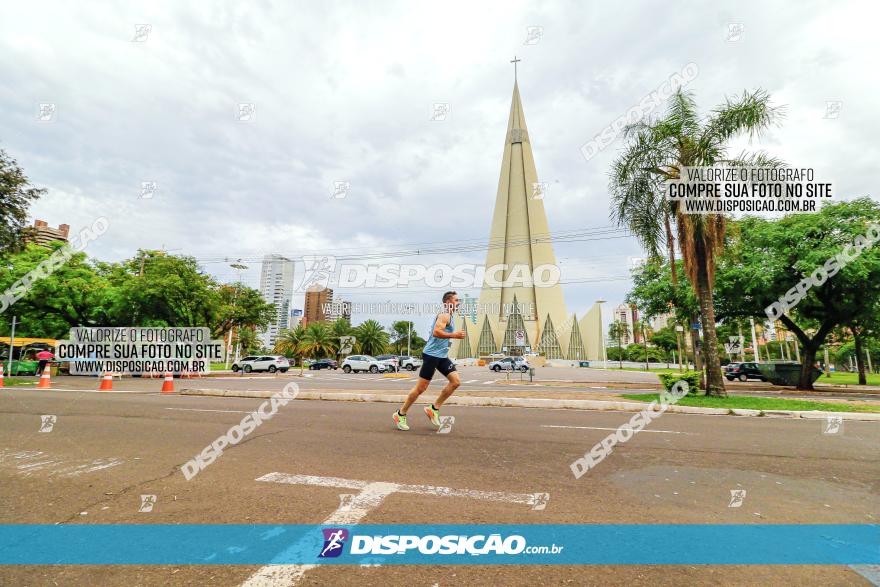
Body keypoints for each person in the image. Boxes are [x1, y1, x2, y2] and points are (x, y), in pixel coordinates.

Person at [393, 291, 465, 431]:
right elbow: (436, 332)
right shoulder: (444, 315)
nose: (458, 303)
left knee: (455, 382)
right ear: (448, 302)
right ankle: (400, 414)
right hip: (431, 355)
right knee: (421, 388)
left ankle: (434, 408)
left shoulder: (450, 316)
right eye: (456, 300)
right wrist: (454, 335)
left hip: (442, 356)